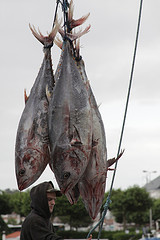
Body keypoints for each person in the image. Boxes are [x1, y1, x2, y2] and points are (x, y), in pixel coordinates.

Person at [20, 181, 92, 240]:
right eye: (49, 199)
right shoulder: (34, 220)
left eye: (54, 199)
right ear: (40, 200)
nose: (53, 203)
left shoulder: (44, 220)